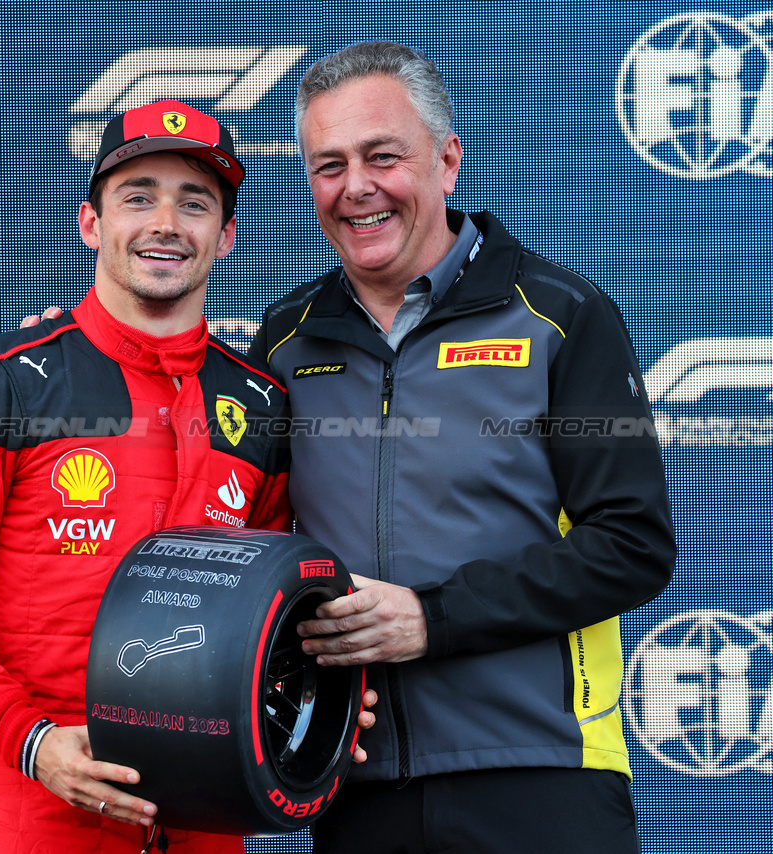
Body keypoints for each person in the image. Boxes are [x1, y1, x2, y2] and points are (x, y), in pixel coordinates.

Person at [247, 41, 676, 853]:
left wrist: (432, 618)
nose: (357, 188)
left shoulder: (558, 316)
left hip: (540, 774)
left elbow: (632, 546)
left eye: (383, 156)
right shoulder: (284, 341)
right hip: (353, 781)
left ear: (447, 161)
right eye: (328, 165)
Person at [0, 100, 296, 854]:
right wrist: (33, 743)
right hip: (37, 807)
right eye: (138, 197)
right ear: (91, 224)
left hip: (208, 815)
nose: (166, 222)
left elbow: (269, 616)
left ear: (225, 237)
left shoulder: (261, 404)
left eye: (193, 203)